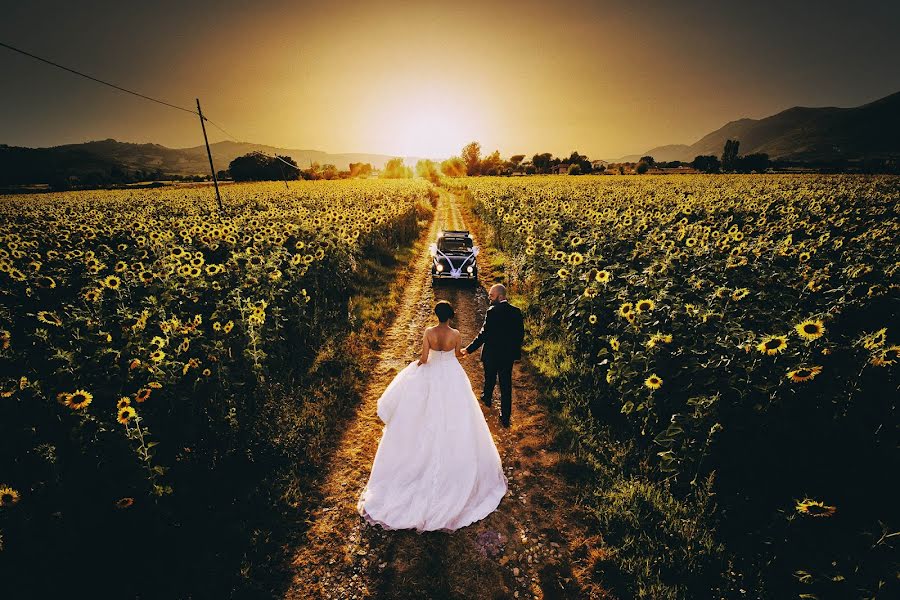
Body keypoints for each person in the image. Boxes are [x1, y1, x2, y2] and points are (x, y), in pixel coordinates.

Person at [357, 300, 508, 533]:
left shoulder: (428, 332)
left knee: (425, 415)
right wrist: (462, 352)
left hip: (433, 374)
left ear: (436, 315)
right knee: (456, 417)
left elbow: (425, 358)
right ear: (451, 316)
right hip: (451, 375)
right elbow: (457, 354)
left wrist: (416, 367)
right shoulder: (456, 333)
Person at [461, 284, 525, 428]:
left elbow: (484, 335)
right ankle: (505, 417)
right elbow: (519, 335)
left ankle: (487, 399)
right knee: (505, 385)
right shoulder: (516, 312)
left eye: (492, 295)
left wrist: (469, 349)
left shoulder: (492, 311)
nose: (489, 298)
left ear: (501, 296)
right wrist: (513, 351)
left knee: (489, 378)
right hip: (507, 356)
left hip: (491, 354)